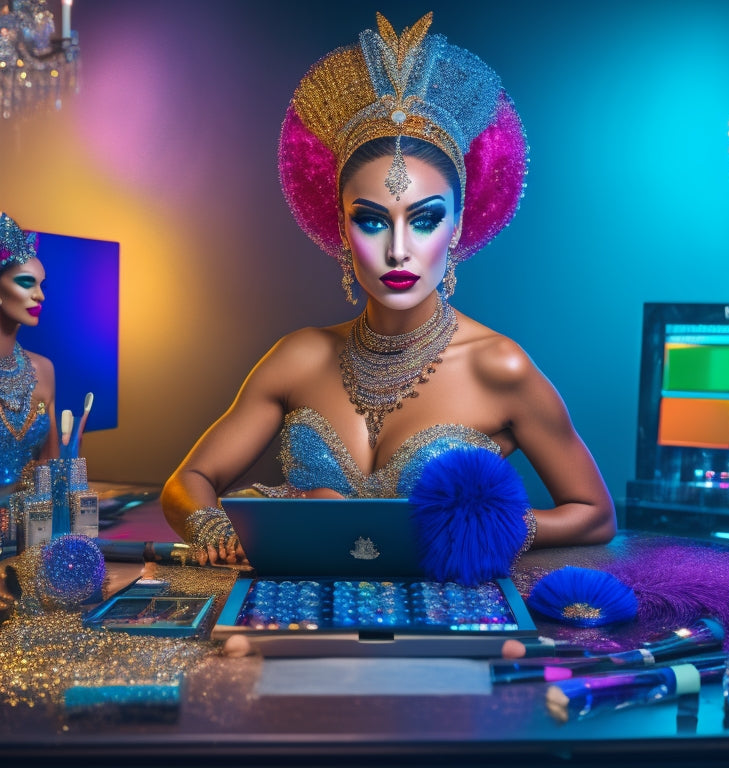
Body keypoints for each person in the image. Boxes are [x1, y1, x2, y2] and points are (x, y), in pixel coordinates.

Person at [161, 12, 616, 565]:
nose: (398, 249)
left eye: (424, 219)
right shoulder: (298, 358)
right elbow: (188, 482)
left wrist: (477, 528)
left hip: (444, 613)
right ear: (341, 225)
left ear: (457, 225)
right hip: (301, 606)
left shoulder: (499, 368)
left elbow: (595, 514)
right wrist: (215, 530)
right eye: (373, 220)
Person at [0, 212, 58, 547]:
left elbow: (52, 468)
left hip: (33, 538)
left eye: (41, 285)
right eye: (26, 283)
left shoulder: (43, 370)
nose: (40, 296)